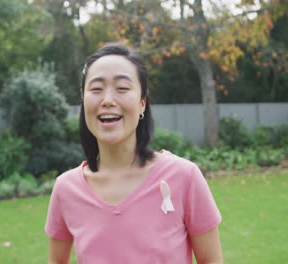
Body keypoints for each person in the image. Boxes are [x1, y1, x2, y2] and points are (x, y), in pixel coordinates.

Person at [45, 43, 223, 264]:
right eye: (97, 89)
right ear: (83, 100)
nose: (107, 100)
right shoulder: (66, 189)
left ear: (141, 104)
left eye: (122, 88)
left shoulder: (184, 177)